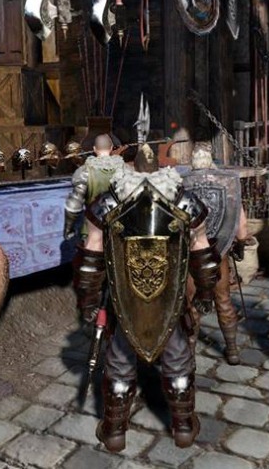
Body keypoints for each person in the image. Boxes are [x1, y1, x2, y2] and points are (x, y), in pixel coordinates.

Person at [73, 145, 220, 452]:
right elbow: (202, 251)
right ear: (160, 167)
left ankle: (114, 432)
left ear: (131, 166)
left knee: (120, 360)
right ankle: (183, 428)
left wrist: (87, 300)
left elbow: (91, 254)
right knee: (177, 357)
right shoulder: (182, 200)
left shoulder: (110, 201)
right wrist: (206, 292)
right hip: (169, 302)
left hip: (126, 303)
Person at [183, 145, 246, 365]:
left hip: (193, 256)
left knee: (191, 304)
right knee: (223, 300)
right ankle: (232, 350)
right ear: (210, 162)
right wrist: (239, 246)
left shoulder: (182, 186)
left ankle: (190, 354)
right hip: (219, 255)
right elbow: (242, 229)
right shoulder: (227, 186)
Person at [64, 134, 127, 240]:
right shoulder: (127, 170)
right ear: (111, 148)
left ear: (94, 149)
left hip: (93, 229)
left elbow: (73, 206)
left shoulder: (83, 172)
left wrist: (68, 229)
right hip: (120, 230)